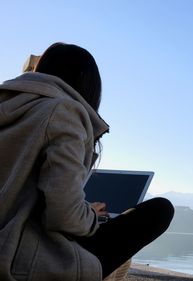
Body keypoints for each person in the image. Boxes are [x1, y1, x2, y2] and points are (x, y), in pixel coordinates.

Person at [0, 43, 175, 281]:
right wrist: (91, 215)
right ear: (85, 81)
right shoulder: (64, 110)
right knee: (160, 210)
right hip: (17, 258)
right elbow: (63, 216)